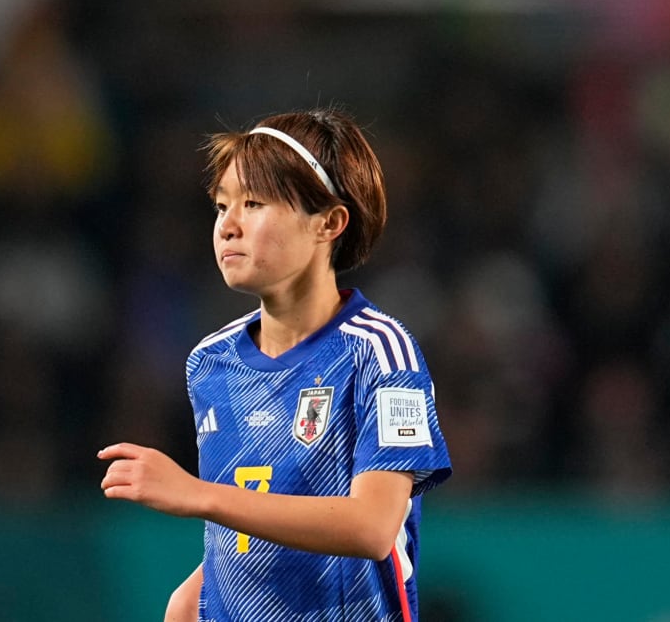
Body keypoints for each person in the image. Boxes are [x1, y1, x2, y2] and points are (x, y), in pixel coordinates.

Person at [98, 107, 452, 621]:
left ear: (329, 223)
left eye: (254, 203)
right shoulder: (210, 363)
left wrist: (198, 495)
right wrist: (189, 600)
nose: (228, 226)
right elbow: (248, 528)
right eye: (222, 206)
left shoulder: (378, 351)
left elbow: (372, 527)